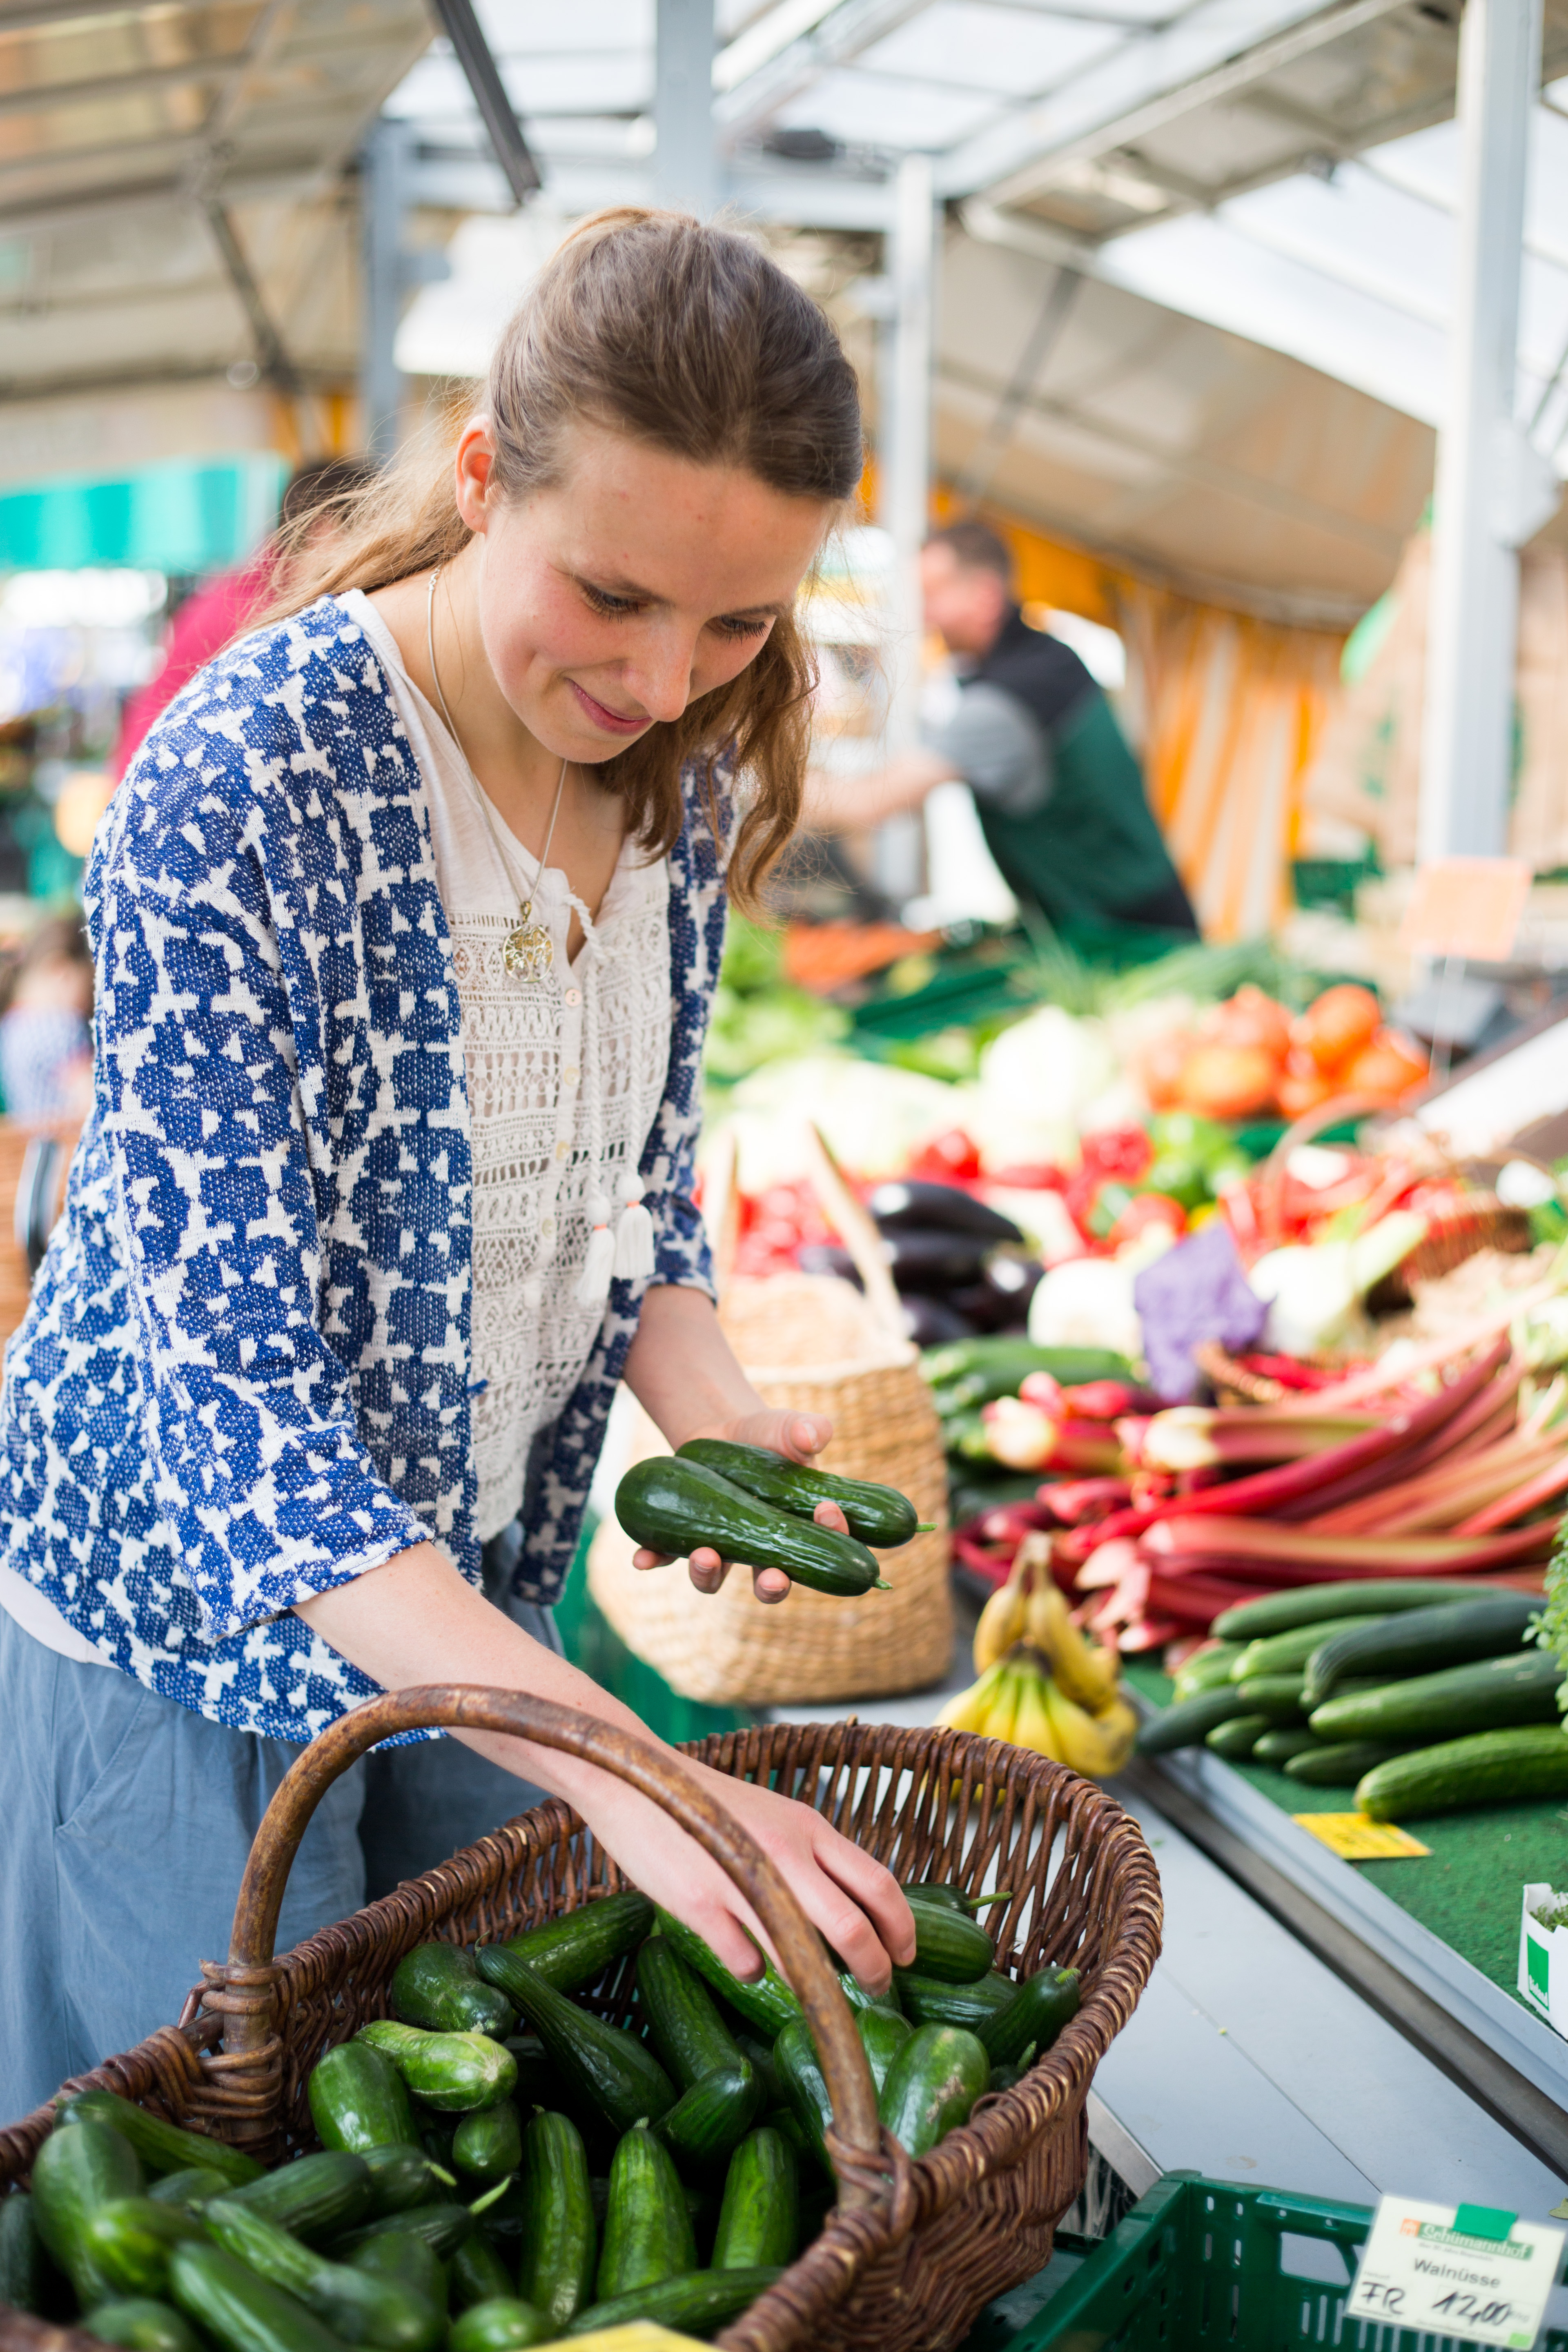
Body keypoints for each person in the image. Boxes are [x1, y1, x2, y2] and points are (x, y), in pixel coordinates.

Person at [0, 207, 914, 2117]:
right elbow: (240, 1430)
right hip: (190, 1656)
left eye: (739, 619)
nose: (667, 677)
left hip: (482, 1600)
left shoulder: (689, 775)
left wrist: (714, 1403)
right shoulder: (251, 782)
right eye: (614, 596)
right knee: (211, 2189)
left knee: (444, 2178)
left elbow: (635, 1175)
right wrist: (625, 1765)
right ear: (486, 472)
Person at [806, 518, 1199, 937]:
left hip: (1126, 933)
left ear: (986, 597)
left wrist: (759, 784)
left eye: (933, 595)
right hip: (1127, 912)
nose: (922, 614)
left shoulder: (1003, 703)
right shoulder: (1048, 659)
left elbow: (870, 803)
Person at [110, 457, 379, 780]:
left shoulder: (255, 591)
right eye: (372, 536)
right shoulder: (260, 613)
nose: (377, 559)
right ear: (325, 532)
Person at [0, 913, 94, 1123]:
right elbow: (92, 1104)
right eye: (89, 986)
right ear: (62, 971)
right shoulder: (61, 1026)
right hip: (70, 1149)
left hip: (31, 1152)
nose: (90, 1003)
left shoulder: (9, 1027)